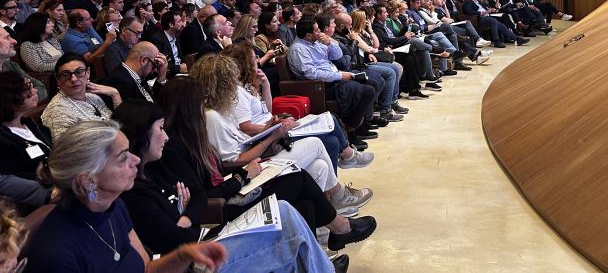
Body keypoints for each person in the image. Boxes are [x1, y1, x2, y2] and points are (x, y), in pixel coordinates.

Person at [113, 100, 344, 272]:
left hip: (204, 232)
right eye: (160, 129)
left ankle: (326, 251)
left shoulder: (154, 169)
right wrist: (187, 214)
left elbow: (196, 198)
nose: (165, 136)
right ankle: (338, 233)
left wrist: (184, 215)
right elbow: (176, 236)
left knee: (298, 199)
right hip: (199, 250)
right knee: (291, 200)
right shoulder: (139, 186)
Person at [23, 120, 229, 272]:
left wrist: (183, 255)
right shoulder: (57, 255)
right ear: (88, 181)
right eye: (123, 158)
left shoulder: (114, 206)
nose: (137, 160)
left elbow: (147, 269)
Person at [190, 53, 374, 218]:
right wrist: (271, 136)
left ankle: (322, 232)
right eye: (231, 81)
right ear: (221, 85)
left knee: (319, 167)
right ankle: (340, 195)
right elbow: (231, 162)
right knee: (315, 144)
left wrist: (269, 128)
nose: (235, 86)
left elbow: (241, 141)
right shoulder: (212, 116)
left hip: (256, 159)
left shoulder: (220, 109)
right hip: (247, 174)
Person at [225, 43, 372, 170]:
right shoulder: (237, 92)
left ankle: (345, 164)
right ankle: (348, 157)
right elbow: (245, 127)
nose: (258, 60)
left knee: (329, 120)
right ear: (245, 64)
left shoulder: (248, 84)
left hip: (273, 128)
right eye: (254, 58)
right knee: (331, 139)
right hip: (265, 138)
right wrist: (276, 127)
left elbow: (267, 112)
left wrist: (266, 85)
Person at [0, 72, 52, 212]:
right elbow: (17, 177)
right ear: (11, 98)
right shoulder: (3, 139)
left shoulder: (28, 123)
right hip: (42, 202)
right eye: (28, 88)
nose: (35, 90)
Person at [41, 54, 122, 139]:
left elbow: (120, 126)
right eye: (66, 75)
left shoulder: (93, 97)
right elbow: (67, 149)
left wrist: (115, 94)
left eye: (79, 72)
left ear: (88, 73)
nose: (74, 79)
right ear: (58, 80)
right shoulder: (58, 110)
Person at [102, 42, 168, 103]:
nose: (155, 70)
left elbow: (152, 98)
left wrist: (161, 77)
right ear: (143, 60)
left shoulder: (135, 75)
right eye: (154, 65)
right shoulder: (119, 81)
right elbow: (139, 113)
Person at [0, 28, 47, 103]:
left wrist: (25, 101)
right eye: (7, 38)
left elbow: (41, 87)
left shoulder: (11, 66)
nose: (15, 41)